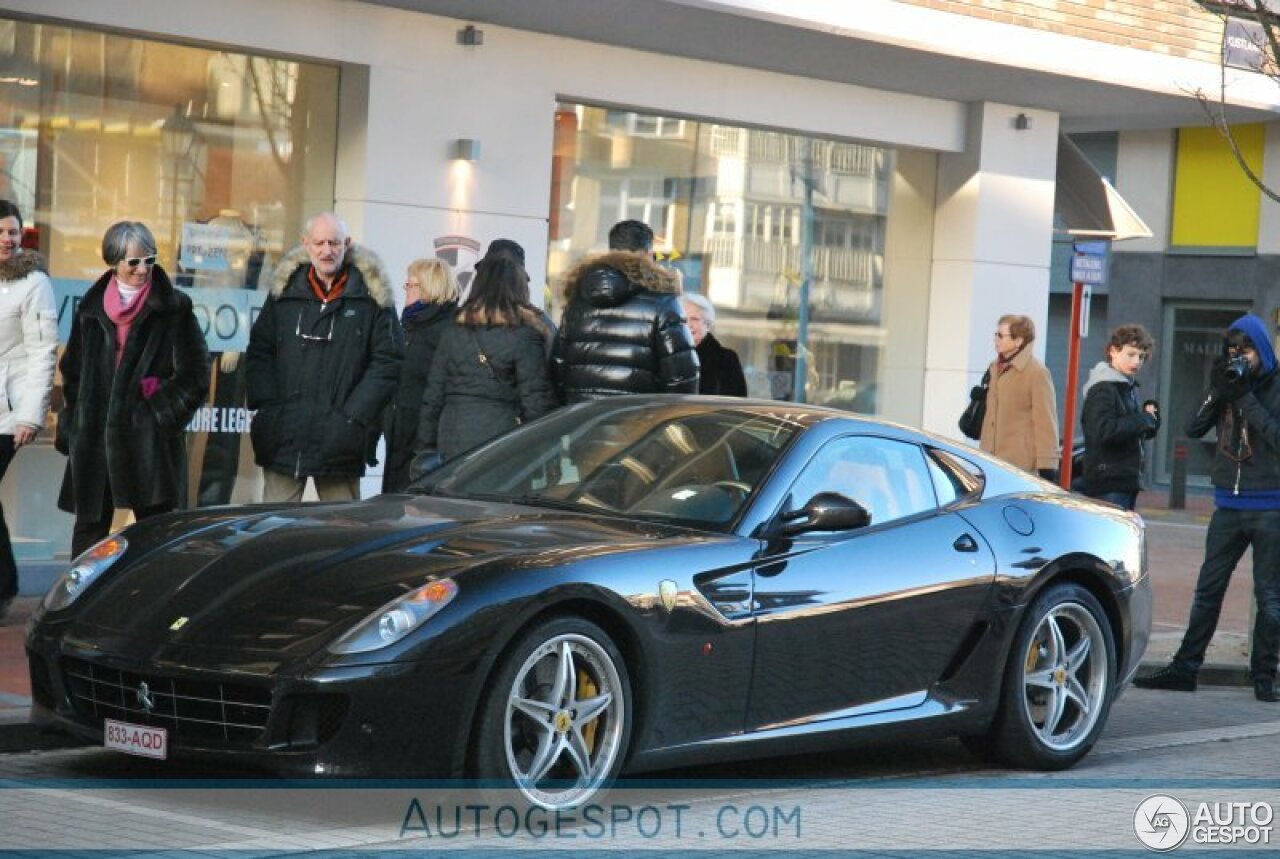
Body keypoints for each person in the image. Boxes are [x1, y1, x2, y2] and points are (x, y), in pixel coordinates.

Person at [1135, 313, 1280, 703]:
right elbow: (1193, 427)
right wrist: (1219, 391)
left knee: (1269, 596)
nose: (1239, 356)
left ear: (1262, 350)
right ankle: (1185, 668)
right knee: (1208, 590)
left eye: (1246, 350)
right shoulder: (1229, 384)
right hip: (1227, 505)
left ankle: (1265, 676)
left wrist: (1245, 398)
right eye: (1233, 349)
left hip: (1271, 506)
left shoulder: (1274, 386)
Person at [56, 221, 210, 558]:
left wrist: (158, 413)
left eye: (150, 260)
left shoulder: (174, 308)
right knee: (89, 534)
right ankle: (80, 607)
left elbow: (196, 374)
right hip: (95, 439)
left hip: (148, 440)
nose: (143, 269)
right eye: (134, 262)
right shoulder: (91, 307)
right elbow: (73, 370)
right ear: (114, 262)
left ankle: (152, 605)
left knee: (157, 536)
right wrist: (77, 418)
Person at [246, 212, 403, 503]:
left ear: (348, 244)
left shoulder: (372, 298)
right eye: (319, 243)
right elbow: (260, 350)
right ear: (306, 244)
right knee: (273, 530)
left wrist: (353, 417)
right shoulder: (284, 294)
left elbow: (389, 361)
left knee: (341, 532)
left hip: (340, 440)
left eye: (334, 242)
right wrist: (268, 407)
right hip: (284, 435)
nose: (326, 251)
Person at [415, 255, 557, 462]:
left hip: (452, 433)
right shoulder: (524, 334)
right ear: (518, 288)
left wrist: (425, 447)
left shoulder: (454, 329)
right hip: (501, 438)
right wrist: (546, 454)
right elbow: (535, 400)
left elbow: (433, 394)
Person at [552, 219, 699, 402]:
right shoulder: (663, 302)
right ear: (649, 253)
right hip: (637, 422)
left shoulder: (578, 301)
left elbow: (558, 367)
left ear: (611, 250)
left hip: (584, 420)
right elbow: (680, 378)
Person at [0, 201, 57, 618]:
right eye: (2, 232)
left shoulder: (34, 283)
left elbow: (43, 352)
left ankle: (4, 586)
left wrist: (30, 414)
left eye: (13, 232)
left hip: (7, 411)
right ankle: (4, 584)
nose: (8, 239)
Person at [382, 258, 458, 492]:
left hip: (423, 440)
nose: (406, 290)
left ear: (429, 288)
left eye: (410, 285)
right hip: (401, 432)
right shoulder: (411, 324)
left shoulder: (445, 330)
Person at [1080, 324, 1160, 511]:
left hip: (1122, 480)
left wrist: (1150, 422)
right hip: (1108, 481)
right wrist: (1142, 420)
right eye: (1131, 354)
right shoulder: (1103, 388)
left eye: (1141, 356)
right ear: (1113, 351)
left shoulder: (1124, 386)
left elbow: (1125, 432)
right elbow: (1104, 431)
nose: (1137, 362)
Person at [979, 314, 1060, 480]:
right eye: (996, 334)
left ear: (1018, 341)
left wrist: (1047, 464)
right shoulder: (994, 367)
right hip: (988, 462)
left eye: (1001, 335)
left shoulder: (1037, 372)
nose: (996, 339)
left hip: (1020, 466)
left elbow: (1046, 421)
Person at [682, 292, 747, 397]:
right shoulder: (669, 358)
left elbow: (737, 402)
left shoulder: (726, 359)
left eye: (695, 319)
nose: (689, 325)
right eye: (684, 320)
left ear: (707, 324)